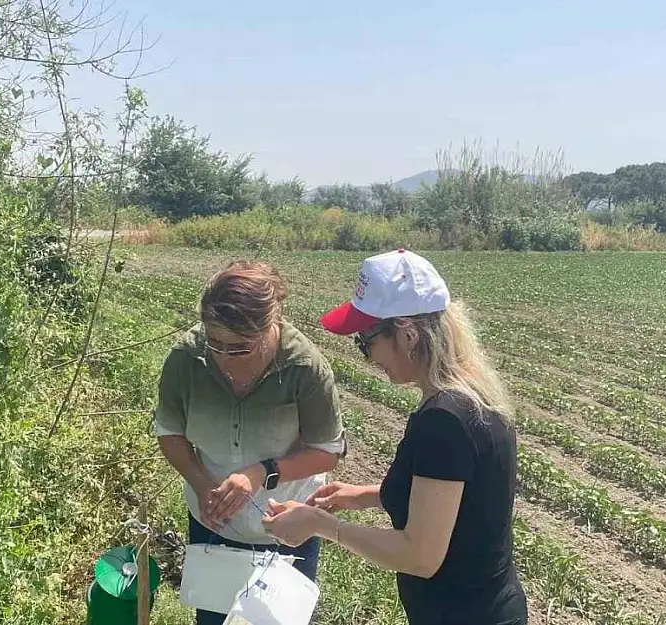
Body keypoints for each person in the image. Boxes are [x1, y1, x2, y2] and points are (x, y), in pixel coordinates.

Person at [261, 249, 528, 625]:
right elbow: (461, 501)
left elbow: (419, 555)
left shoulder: (444, 421)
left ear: (406, 333)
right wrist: (367, 495)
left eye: (364, 342)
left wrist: (320, 525)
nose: (368, 358)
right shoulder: (471, 398)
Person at [153, 260, 346, 625]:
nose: (224, 357)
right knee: (214, 618)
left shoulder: (304, 369)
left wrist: (263, 472)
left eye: (240, 348)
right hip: (212, 522)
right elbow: (170, 433)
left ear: (270, 327)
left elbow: (328, 452)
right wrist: (202, 484)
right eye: (214, 342)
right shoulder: (187, 359)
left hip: (286, 527)